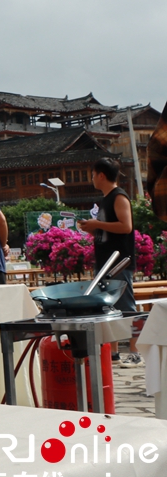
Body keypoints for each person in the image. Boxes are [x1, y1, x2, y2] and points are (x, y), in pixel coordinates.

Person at [79, 157, 141, 366]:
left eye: (93, 174)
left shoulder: (119, 197)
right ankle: (113, 352)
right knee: (108, 307)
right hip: (105, 261)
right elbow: (108, 227)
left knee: (126, 307)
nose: (92, 178)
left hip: (119, 261)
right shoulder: (106, 199)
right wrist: (93, 227)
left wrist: (97, 224)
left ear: (101, 175)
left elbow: (126, 226)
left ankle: (135, 351)